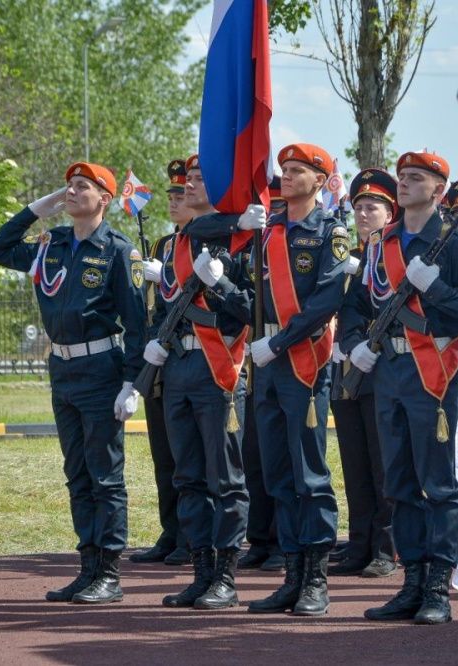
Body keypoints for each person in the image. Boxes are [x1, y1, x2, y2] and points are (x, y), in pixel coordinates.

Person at [341, 151, 458, 625]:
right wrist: (353, 346)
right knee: (400, 482)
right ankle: (410, 582)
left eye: (416, 178)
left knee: (437, 484)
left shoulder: (454, 245)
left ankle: (437, 588)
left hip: (431, 376)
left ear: (438, 190)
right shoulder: (378, 245)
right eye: (403, 177)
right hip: (386, 372)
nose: (405, 184)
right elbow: (355, 306)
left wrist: (436, 289)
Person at [0, 162, 145, 604]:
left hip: (101, 370)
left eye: (81, 187)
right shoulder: (50, 244)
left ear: (104, 199)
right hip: (63, 370)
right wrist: (38, 208)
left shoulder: (117, 251)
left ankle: (109, 572)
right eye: (68, 187)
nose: (71, 192)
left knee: (105, 476)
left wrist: (134, 383)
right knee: (76, 474)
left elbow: (136, 323)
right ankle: (87, 568)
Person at [144, 154, 254, 609]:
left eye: (199, 178)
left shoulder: (241, 242)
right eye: (187, 178)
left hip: (218, 369)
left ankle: (225, 578)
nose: (188, 185)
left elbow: (252, 309)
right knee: (187, 476)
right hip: (179, 369)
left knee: (224, 479)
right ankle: (201, 571)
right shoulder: (174, 247)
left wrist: (224, 285)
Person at [245, 143, 348, 617]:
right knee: (278, 474)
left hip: (301, 361)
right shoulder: (268, 232)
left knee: (310, 474)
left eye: (297, 171)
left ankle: (317, 581)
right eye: (284, 170)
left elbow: (326, 300)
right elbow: (253, 294)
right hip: (266, 364)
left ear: (322, 180)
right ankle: (292, 575)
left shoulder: (331, 232)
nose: (286, 177)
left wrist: (279, 343)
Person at [329, 168, 399, 579]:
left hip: (381, 369)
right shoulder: (352, 258)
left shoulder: (389, 257)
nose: (363, 211)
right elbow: (348, 309)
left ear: (390, 212)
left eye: (373, 205)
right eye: (358, 205)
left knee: (382, 465)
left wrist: (362, 342)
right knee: (354, 465)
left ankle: (386, 548)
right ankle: (359, 544)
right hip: (346, 369)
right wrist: (350, 341)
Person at [129, 159, 191, 566]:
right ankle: (171, 530)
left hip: (187, 354)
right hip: (158, 358)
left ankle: (191, 534)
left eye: (180, 195)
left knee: (188, 455)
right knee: (163, 453)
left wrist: (166, 275)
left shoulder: (201, 243)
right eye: (170, 195)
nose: (173, 201)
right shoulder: (160, 246)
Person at [238, 174, 285, 573]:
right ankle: (261, 537)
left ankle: (285, 543)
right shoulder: (257, 245)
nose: (276, 215)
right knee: (256, 456)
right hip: (256, 356)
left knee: (289, 460)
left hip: (288, 352)